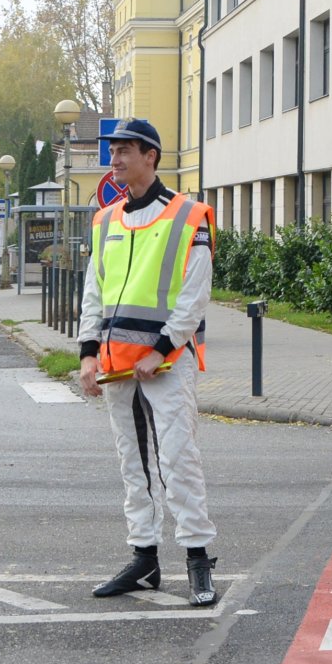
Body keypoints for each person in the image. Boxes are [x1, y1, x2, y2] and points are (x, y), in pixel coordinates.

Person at [75, 118, 220, 605]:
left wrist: (162, 348)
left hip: (165, 362)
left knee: (178, 460)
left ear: (150, 156)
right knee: (133, 464)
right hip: (117, 365)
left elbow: (195, 294)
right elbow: (93, 290)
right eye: (112, 152)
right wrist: (88, 353)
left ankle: (198, 559)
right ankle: (143, 558)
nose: (114, 160)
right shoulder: (104, 219)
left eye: (124, 152)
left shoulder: (188, 215)